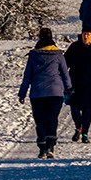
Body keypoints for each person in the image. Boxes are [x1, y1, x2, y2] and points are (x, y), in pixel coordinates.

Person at [17, 26, 71, 159]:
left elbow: (27, 76)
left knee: (40, 120)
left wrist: (22, 93)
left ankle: (42, 148)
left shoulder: (34, 56)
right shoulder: (58, 55)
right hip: (55, 92)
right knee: (51, 119)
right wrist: (69, 88)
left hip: (37, 93)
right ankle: (50, 146)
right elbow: (65, 74)